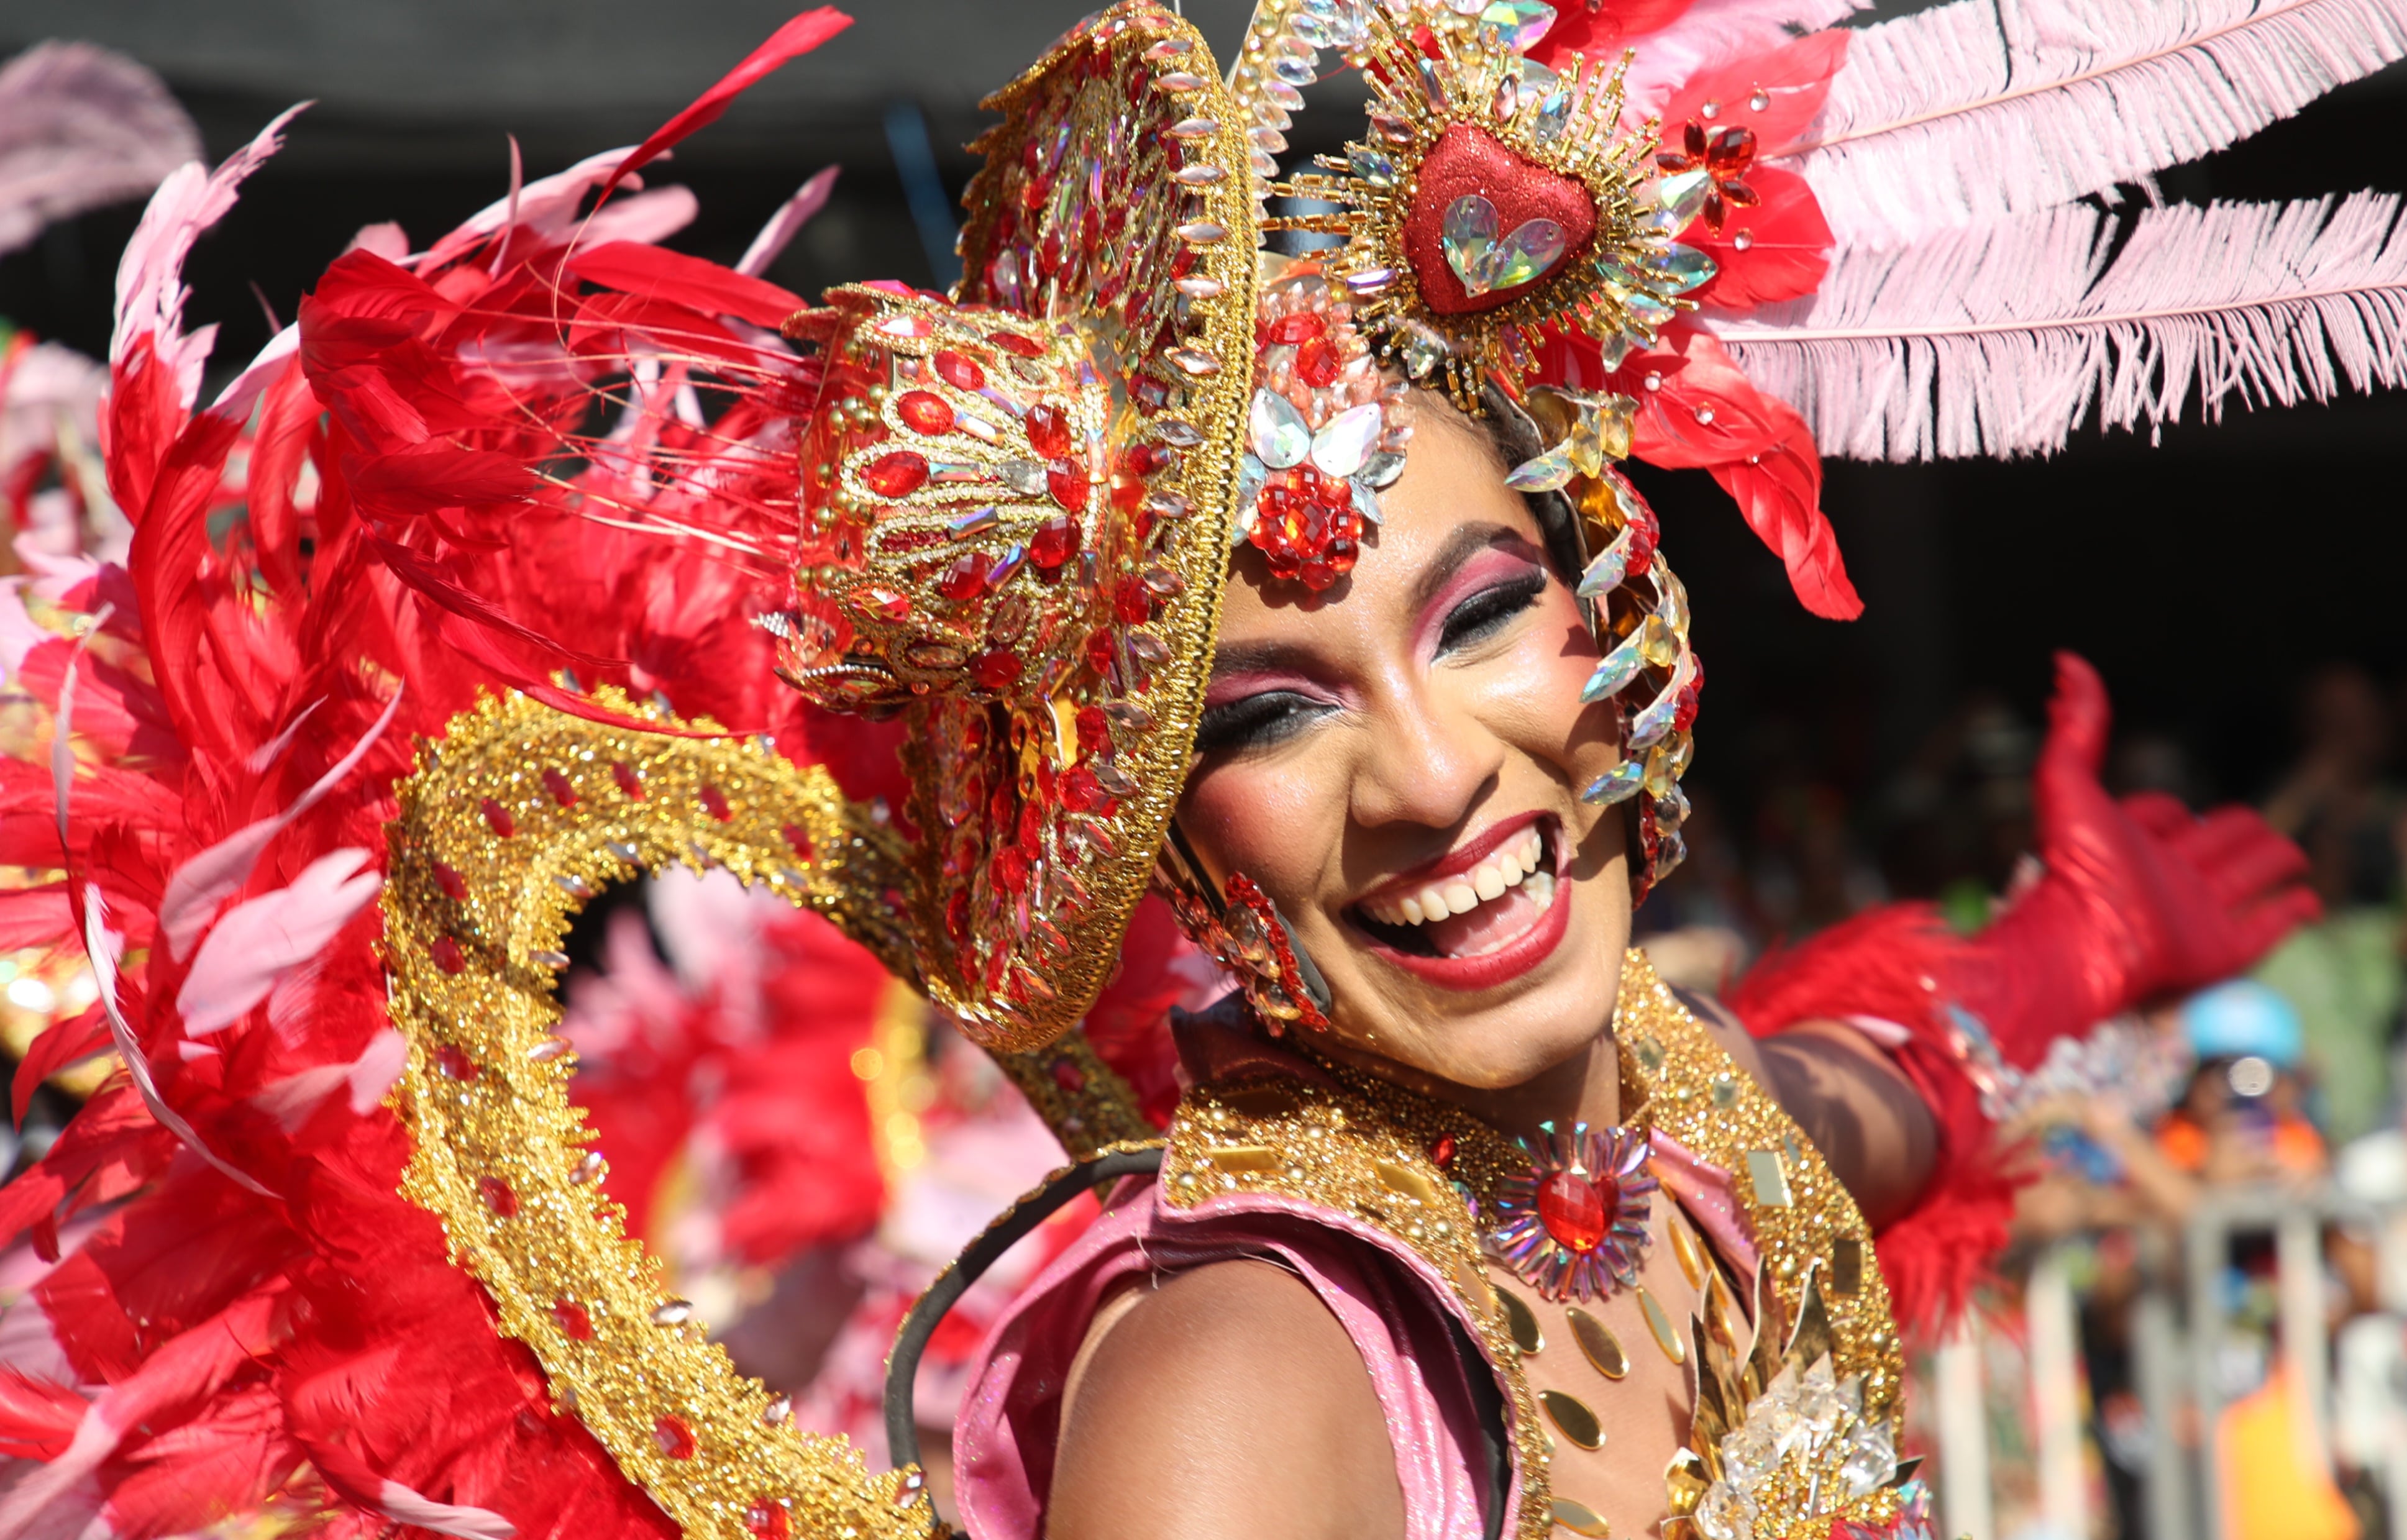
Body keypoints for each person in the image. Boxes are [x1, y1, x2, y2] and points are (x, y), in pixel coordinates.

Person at [0, 1, 2391, 1537]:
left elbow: (1863, 1096)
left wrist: (2080, 949)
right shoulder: (1247, 1379)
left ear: (1602, 613)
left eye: (1472, 615)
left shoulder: (1680, 1137)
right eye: (1267, 714)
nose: (1436, 773)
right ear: (1161, 839)